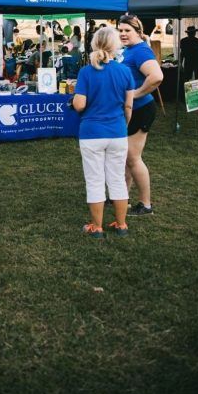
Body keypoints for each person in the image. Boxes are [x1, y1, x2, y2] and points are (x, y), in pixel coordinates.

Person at [73, 27, 135, 238]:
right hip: (117, 131)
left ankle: (96, 227)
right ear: (115, 45)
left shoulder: (86, 72)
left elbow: (79, 105)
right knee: (117, 179)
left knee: (95, 180)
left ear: (94, 43)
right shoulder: (125, 71)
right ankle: (121, 224)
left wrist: (75, 101)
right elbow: (128, 107)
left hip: (92, 133)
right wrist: (124, 125)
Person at [118, 14, 163, 217]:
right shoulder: (129, 50)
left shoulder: (141, 50)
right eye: (120, 30)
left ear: (138, 31)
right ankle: (123, 198)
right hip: (130, 110)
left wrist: (134, 95)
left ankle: (145, 205)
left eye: (127, 30)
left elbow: (156, 77)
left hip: (141, 109)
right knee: (126, 157)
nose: (123, 34)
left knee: (133, 158)